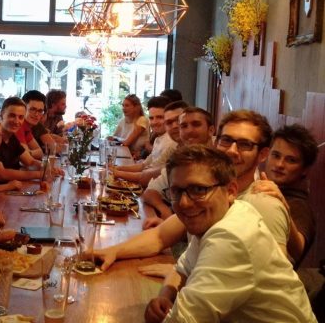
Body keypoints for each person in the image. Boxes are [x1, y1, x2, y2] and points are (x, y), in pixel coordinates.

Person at [146, 145, 325, 323]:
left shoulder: (231, 237)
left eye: (198, 189)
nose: (183, 203)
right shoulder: (226, 214)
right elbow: (181, 270)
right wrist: (165, 295)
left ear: (230, 190)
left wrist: (166, 314)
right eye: (177, 191)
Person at [97, 109, 294, 270]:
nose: (232, 151)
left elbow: (274, 280)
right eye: (226, 140)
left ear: (263, 154)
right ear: (217, 142)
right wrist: (112, 251)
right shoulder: (209, 190)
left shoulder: (263, 201)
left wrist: (183, 275)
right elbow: (159, 236)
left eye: (244, 144)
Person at [253, 123, 318, 266]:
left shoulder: (299, 205)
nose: (280, 164)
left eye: (291, 160)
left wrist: (283, 206)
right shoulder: (260, 184)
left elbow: (298, 250)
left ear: (304, 169)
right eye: (276, 155)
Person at [111, 97, 179, 186]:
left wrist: (116, 172)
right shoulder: (158, 138)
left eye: (160, 117)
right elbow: (143, 165)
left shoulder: (170, 142)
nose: (154, 122)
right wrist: (116, 168)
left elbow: (148, 176)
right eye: (151, 118)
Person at [0, 97, 45, 183]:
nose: (16, 121)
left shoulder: (12, 137)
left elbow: (30, 161)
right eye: (12, 116)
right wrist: (40, 174)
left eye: (21, 117)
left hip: (13, 187)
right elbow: (1, 174)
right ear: (0, 115)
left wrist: (48, 167)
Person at [18, 90, 55, 158]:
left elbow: (40, 152)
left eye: (40, 111)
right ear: (23, 108)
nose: (36, 114)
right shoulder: (18, 126)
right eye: (32, 109)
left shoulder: (28, 127)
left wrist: (29, 153)